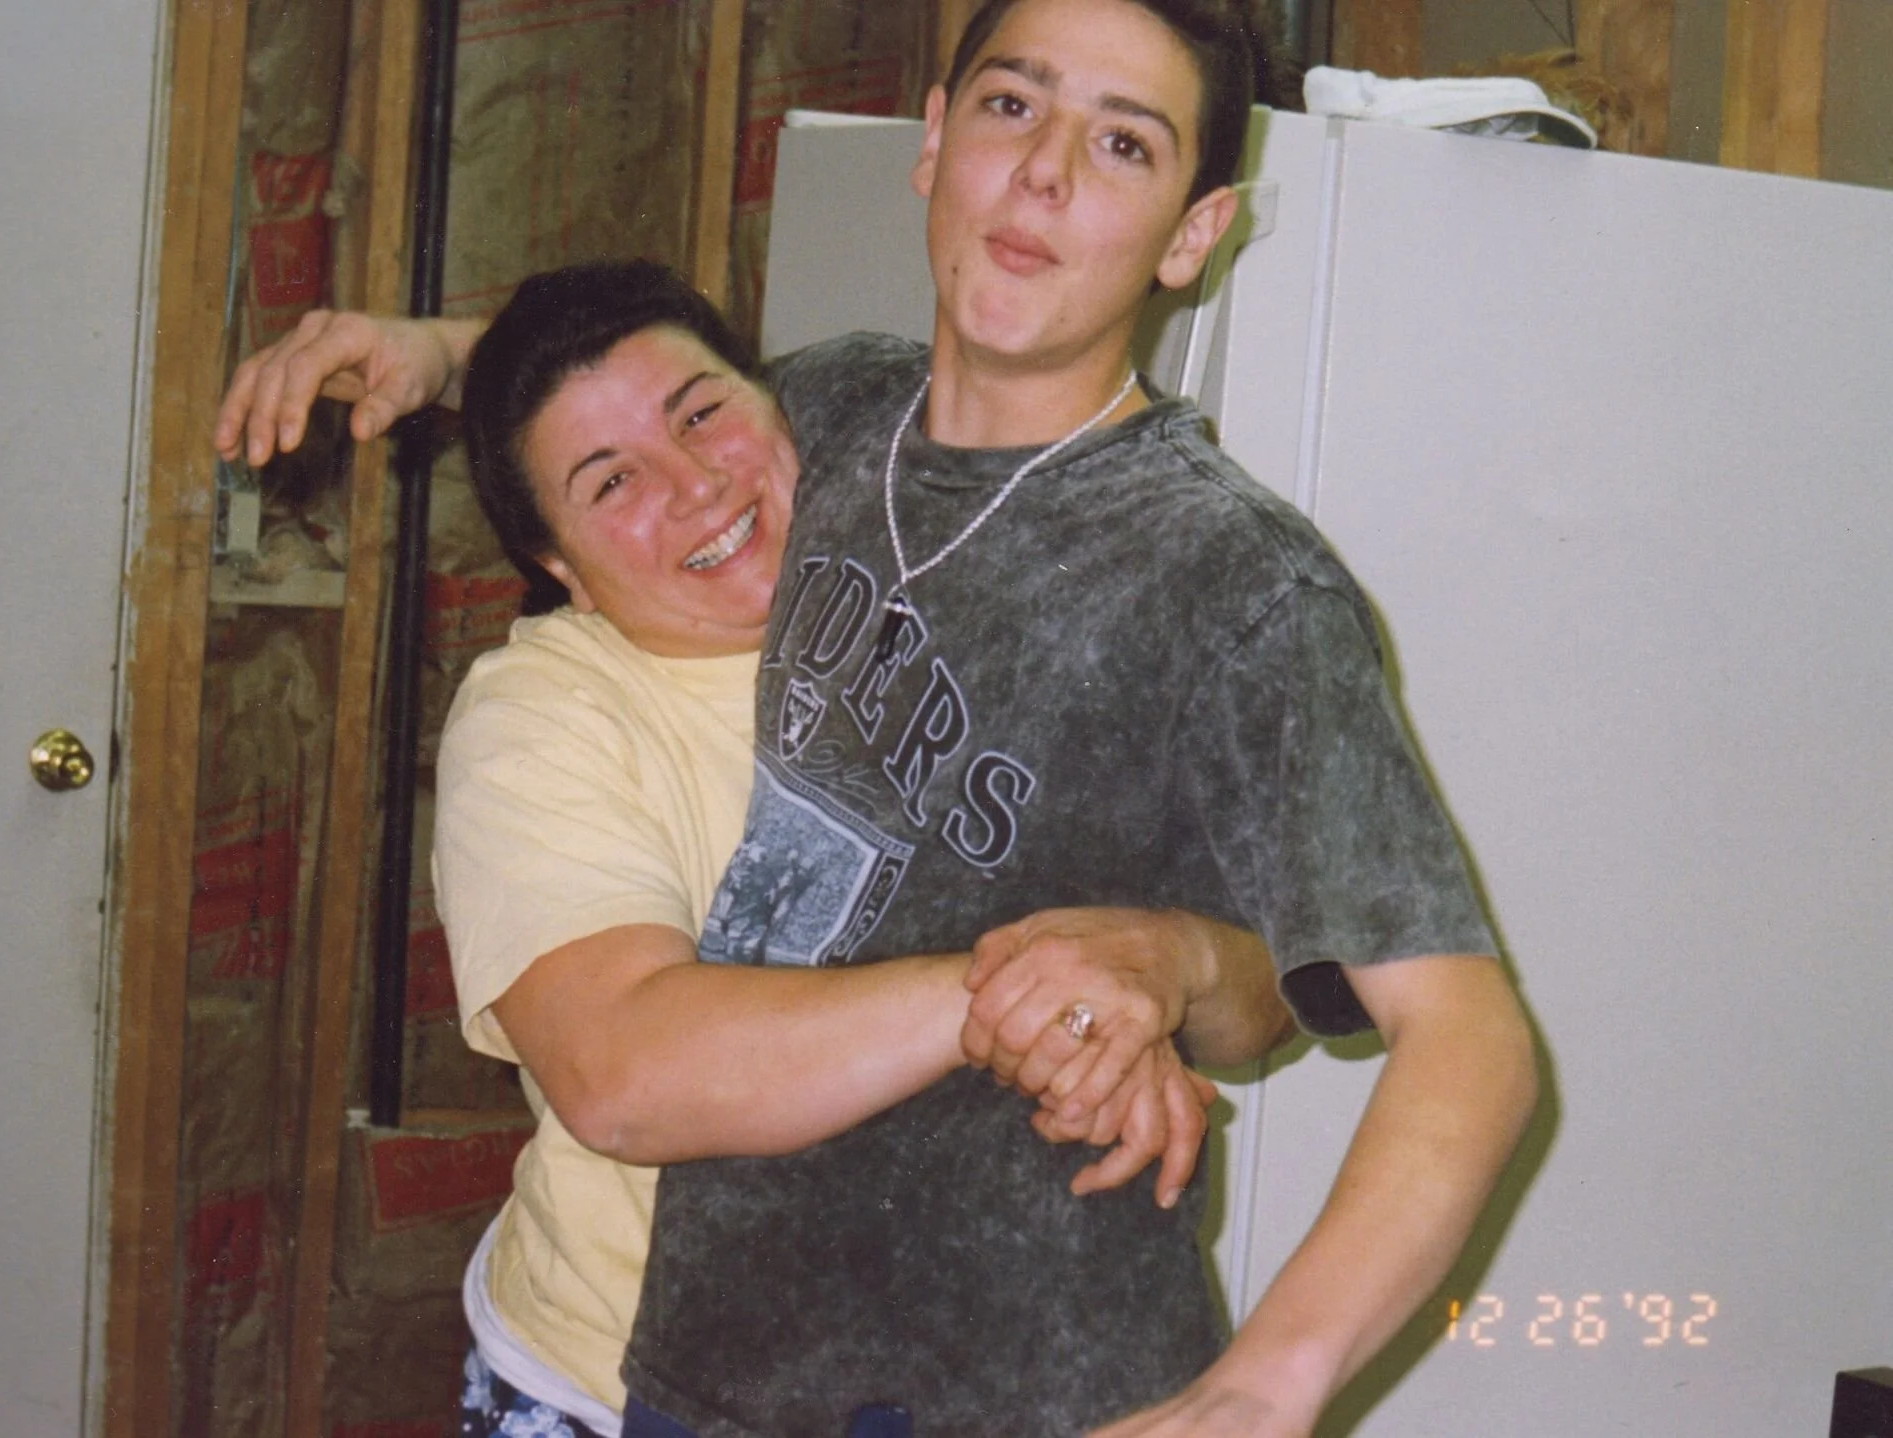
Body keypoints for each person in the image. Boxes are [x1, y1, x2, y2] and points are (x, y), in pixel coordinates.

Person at [217, 2, 1539, 1431]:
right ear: (934, 142)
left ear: (1191, 231)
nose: (1044, 175)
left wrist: (1269, 1380)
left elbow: (1470, 1037)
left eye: (1121, 142)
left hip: (1029, 1380)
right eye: (1013, 108)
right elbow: (635, 402)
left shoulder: (1237, 585)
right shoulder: (834, 415)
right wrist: (438, 351)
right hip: (705, 1370)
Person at [216, 263, 1290, 1438]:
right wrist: (1028, 999)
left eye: (704, 415)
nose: (692, 485)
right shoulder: (542, 716)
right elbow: (621, 1074)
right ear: (559, 570)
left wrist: (1164, 960)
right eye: (609, 482)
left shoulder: (951, 559)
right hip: (629, 1388)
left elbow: (1262, 1000)